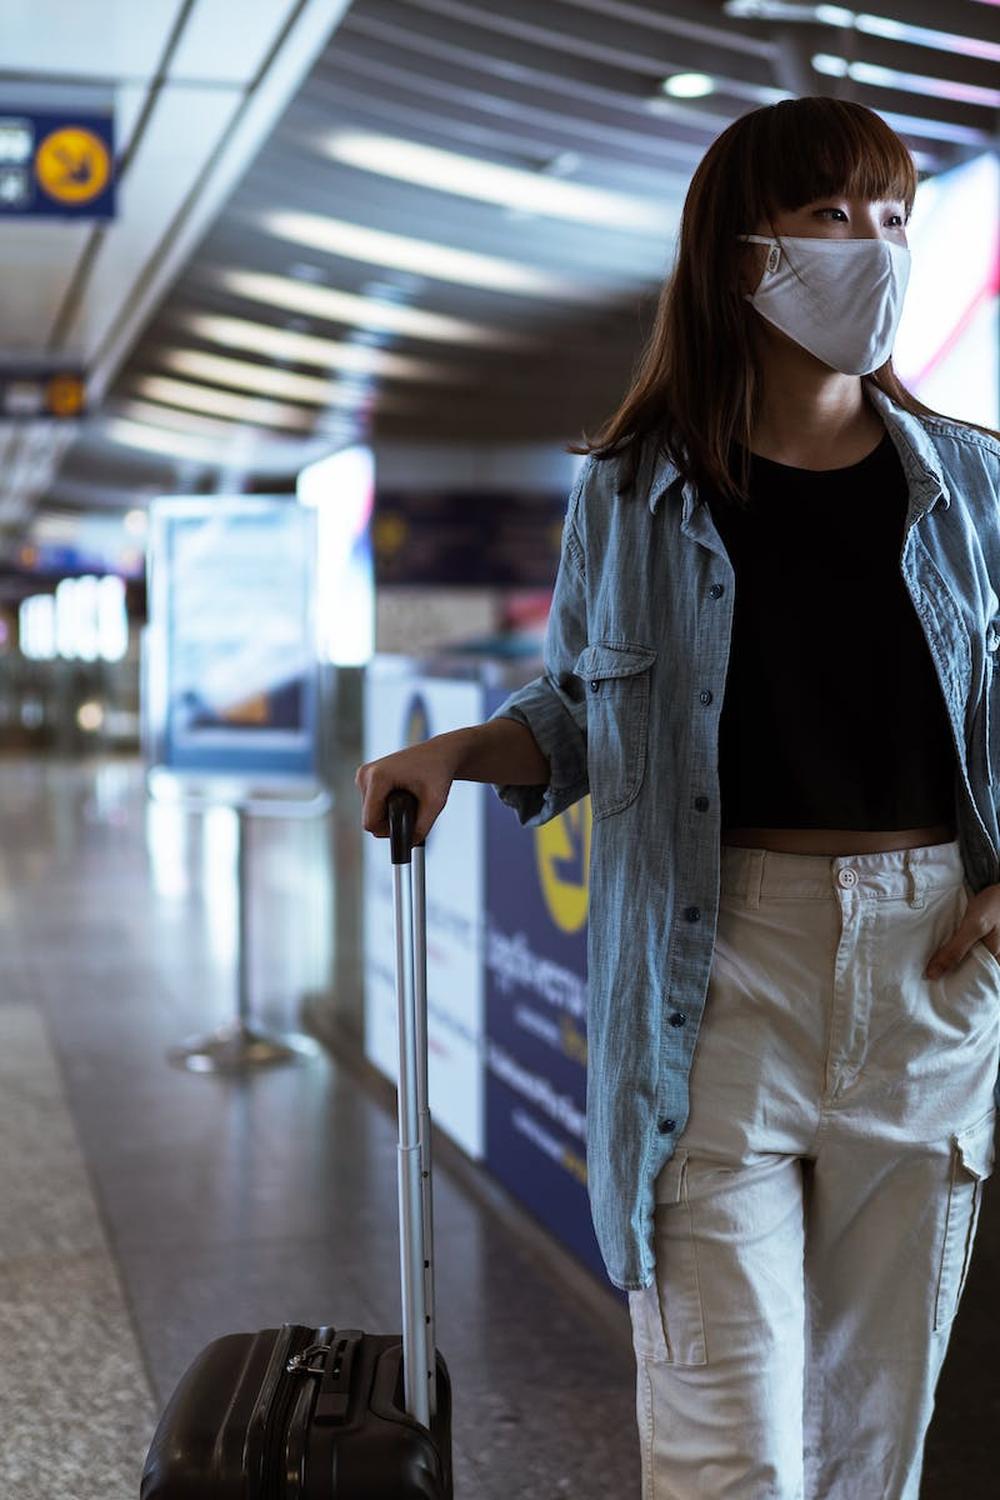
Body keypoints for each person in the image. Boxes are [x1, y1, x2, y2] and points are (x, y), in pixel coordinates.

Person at [355, 96, 1000, 1498]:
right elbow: (587, 712)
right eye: (831, 216)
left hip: (931, 973)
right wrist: (457, 750)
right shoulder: (639, 491)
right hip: (714, 978)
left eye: (893, 216)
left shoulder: (974, 488)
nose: (872, 249)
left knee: (868, 1452)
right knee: (728, 1450)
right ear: (741, 258)